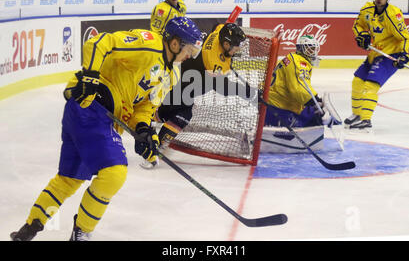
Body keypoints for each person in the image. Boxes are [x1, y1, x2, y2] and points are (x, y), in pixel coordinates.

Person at [9, 17, 204, 241]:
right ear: (175, 43)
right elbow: (99, 42)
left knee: (69, 178)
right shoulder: (149, 44)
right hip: (91, 105)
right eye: (189, 49)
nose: (190, 55)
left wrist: (143, 129)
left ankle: (29, 229)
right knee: (114, 172)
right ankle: (81, 233)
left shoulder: (173, 74)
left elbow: (145, 106)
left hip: (95, 116)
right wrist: (91, 75)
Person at [141, 23, 248, 169]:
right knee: (182, 115)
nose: (238, 49)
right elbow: (222, 87)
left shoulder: (218, 33)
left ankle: (147, 123)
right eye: (236, 46)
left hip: (182, 81)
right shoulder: (214, 62)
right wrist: (246, 91)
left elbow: (217, 25)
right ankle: (154, 148)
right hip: (182, 86)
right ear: (226, 43)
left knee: (172, 112)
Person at [344, 0, 409, 131]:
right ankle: (357, 114)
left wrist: (405, 55)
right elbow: (357, 25)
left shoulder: (393, 15)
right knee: (357, 82)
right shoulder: (367, 10)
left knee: (370, 86)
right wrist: (362, 35)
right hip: (375, 53)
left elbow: (405, 38)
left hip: (391, 54)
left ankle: (366, 120)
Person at [264, 35, 327, 128]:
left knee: (311, 113)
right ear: (300, 48)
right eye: (310, 49)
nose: (313, 52)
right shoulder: (299, 62)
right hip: (277, 107)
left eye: (314, 49)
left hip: (274, 102)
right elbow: (298, 88)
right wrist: (314, 100)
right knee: (313, 119)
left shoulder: (294, 58)